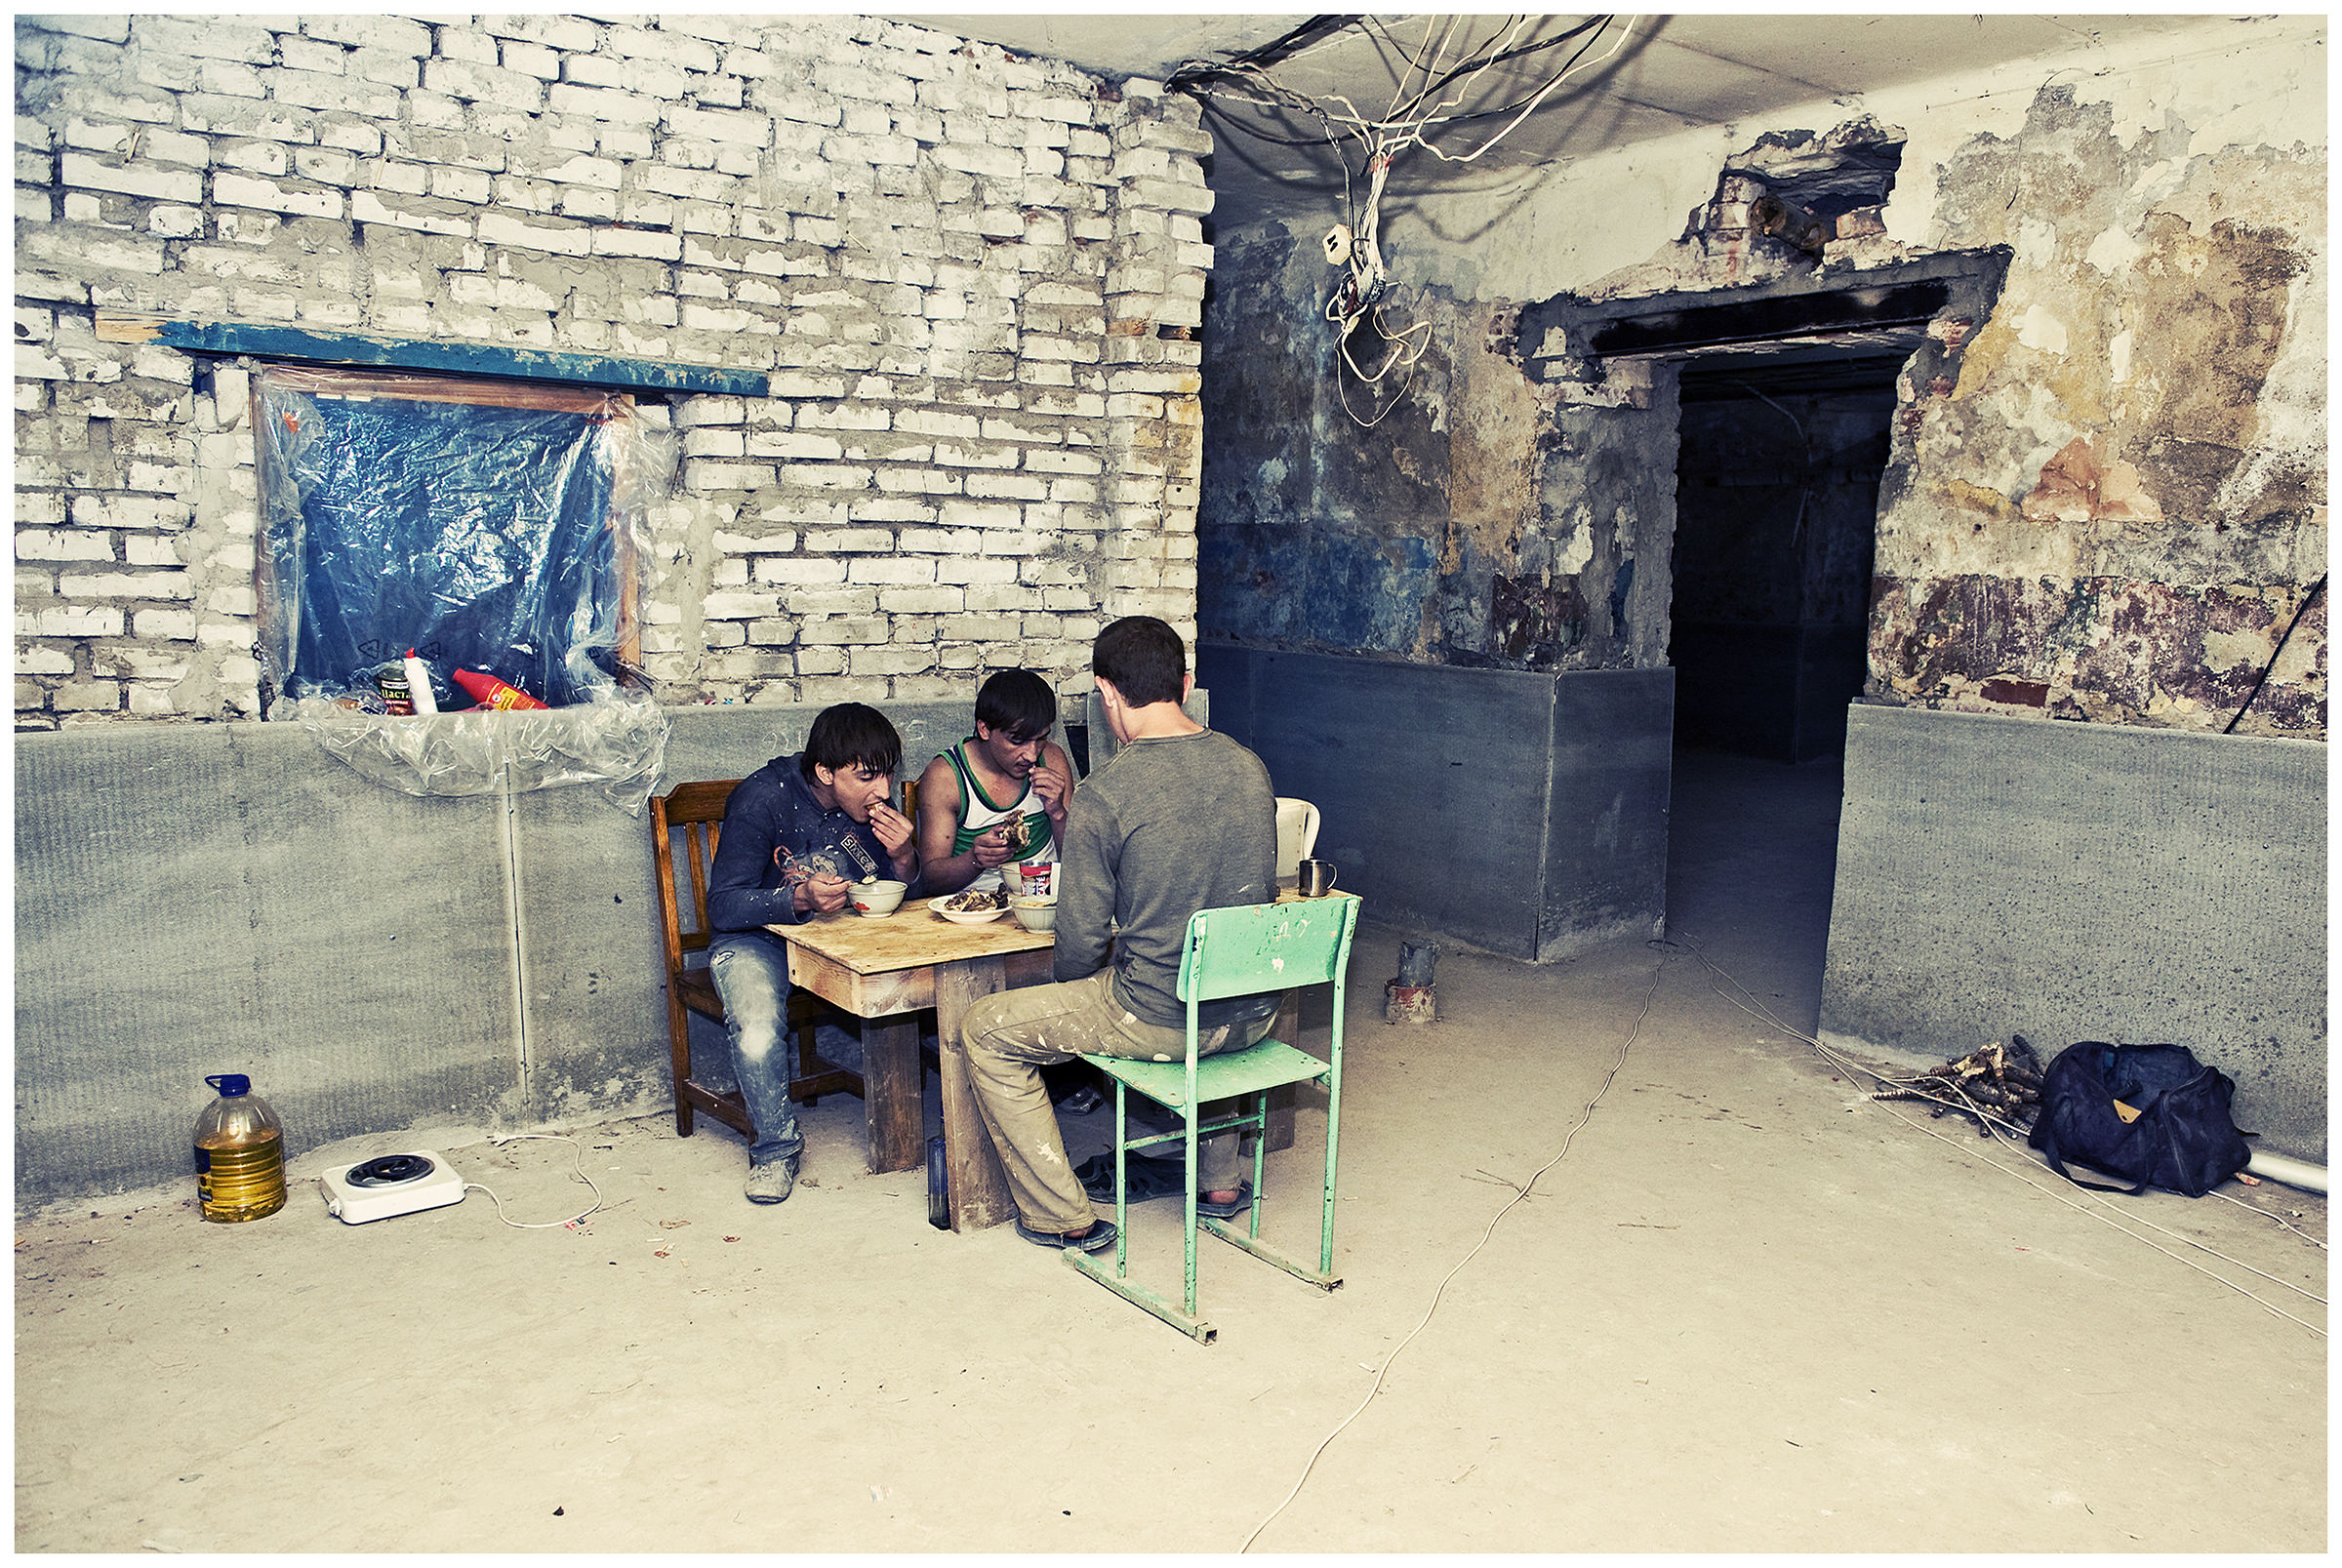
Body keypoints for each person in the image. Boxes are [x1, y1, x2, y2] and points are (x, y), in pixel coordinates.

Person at [954, 618, 1280, 1252]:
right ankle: (1219, 1183)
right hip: (1253, 1010)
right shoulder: (1250, 766)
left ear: (1106, 693)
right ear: (1184, 683)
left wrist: (1077, 994)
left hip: (1162, 1017)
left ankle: (1062, 1215)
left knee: (985, 1029)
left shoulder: (1107, 792)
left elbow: (1079, 943)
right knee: (1207, 977)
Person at [706, 703, 918, 1204]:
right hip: (756, 939)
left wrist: (904, 856)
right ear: (825, 772)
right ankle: (775, 1151)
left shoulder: (872, 808)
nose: (882, 790)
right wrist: (797, 898)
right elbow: (723, 905)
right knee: (757, 1027)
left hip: (840, 936)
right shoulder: (763, 797)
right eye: (866, 777)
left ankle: (914, 1129)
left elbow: (901, 891)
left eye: (887, 774)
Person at [914, 667, 1076, 899]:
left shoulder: (1051, 758)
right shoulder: (946, 777)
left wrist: (1058, 814)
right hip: (973, 907)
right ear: (984, 729)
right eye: (1017, 740)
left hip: (1044, 902)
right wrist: (975, 859)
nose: (1031, 754)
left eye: (1041, 738)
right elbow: (930, 881)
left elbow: (1081, 864)